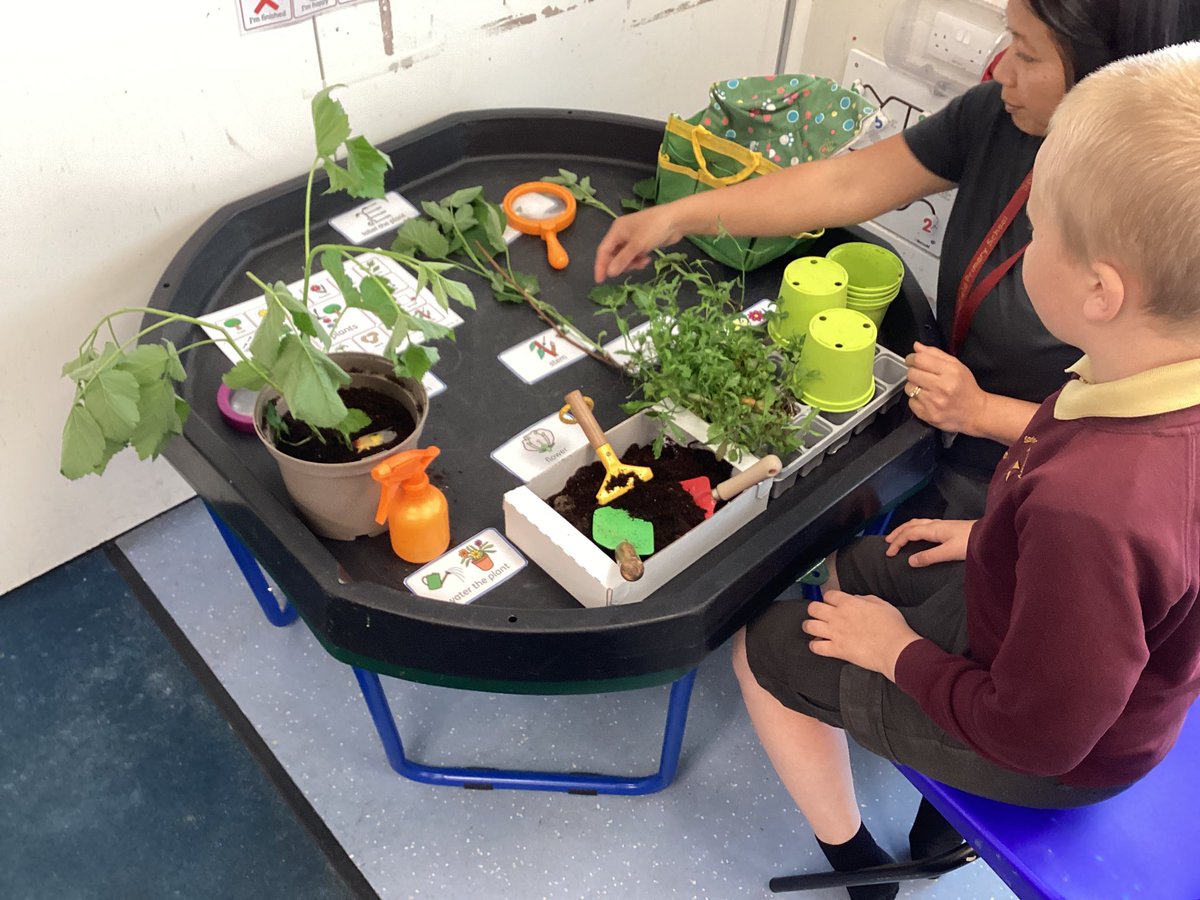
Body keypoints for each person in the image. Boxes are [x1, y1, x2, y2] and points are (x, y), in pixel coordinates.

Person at [732, 42, 1200, 900]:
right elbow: (1145, 561)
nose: (1021, 251)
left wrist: (900, 655)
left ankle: (862, 866)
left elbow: (1040, 733)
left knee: (763, 648)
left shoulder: (1094, 513)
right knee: (864, 566)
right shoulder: (1143, 375)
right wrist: (994, 533)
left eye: (1040, 235)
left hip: (1057, 748)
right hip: (1036, 627)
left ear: (1101, 289)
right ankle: (931, 806)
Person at [594, 0, 1198, 519]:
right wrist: (681, 214)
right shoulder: (999, 115)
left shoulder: (1165, 213)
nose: (1003, 71)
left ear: (1110, 71)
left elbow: (1153, 443)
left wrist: (984, 413)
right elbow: (841, 186)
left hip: (1031, 481)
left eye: (1029, 55)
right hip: (935, 415)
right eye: (1006, 42)